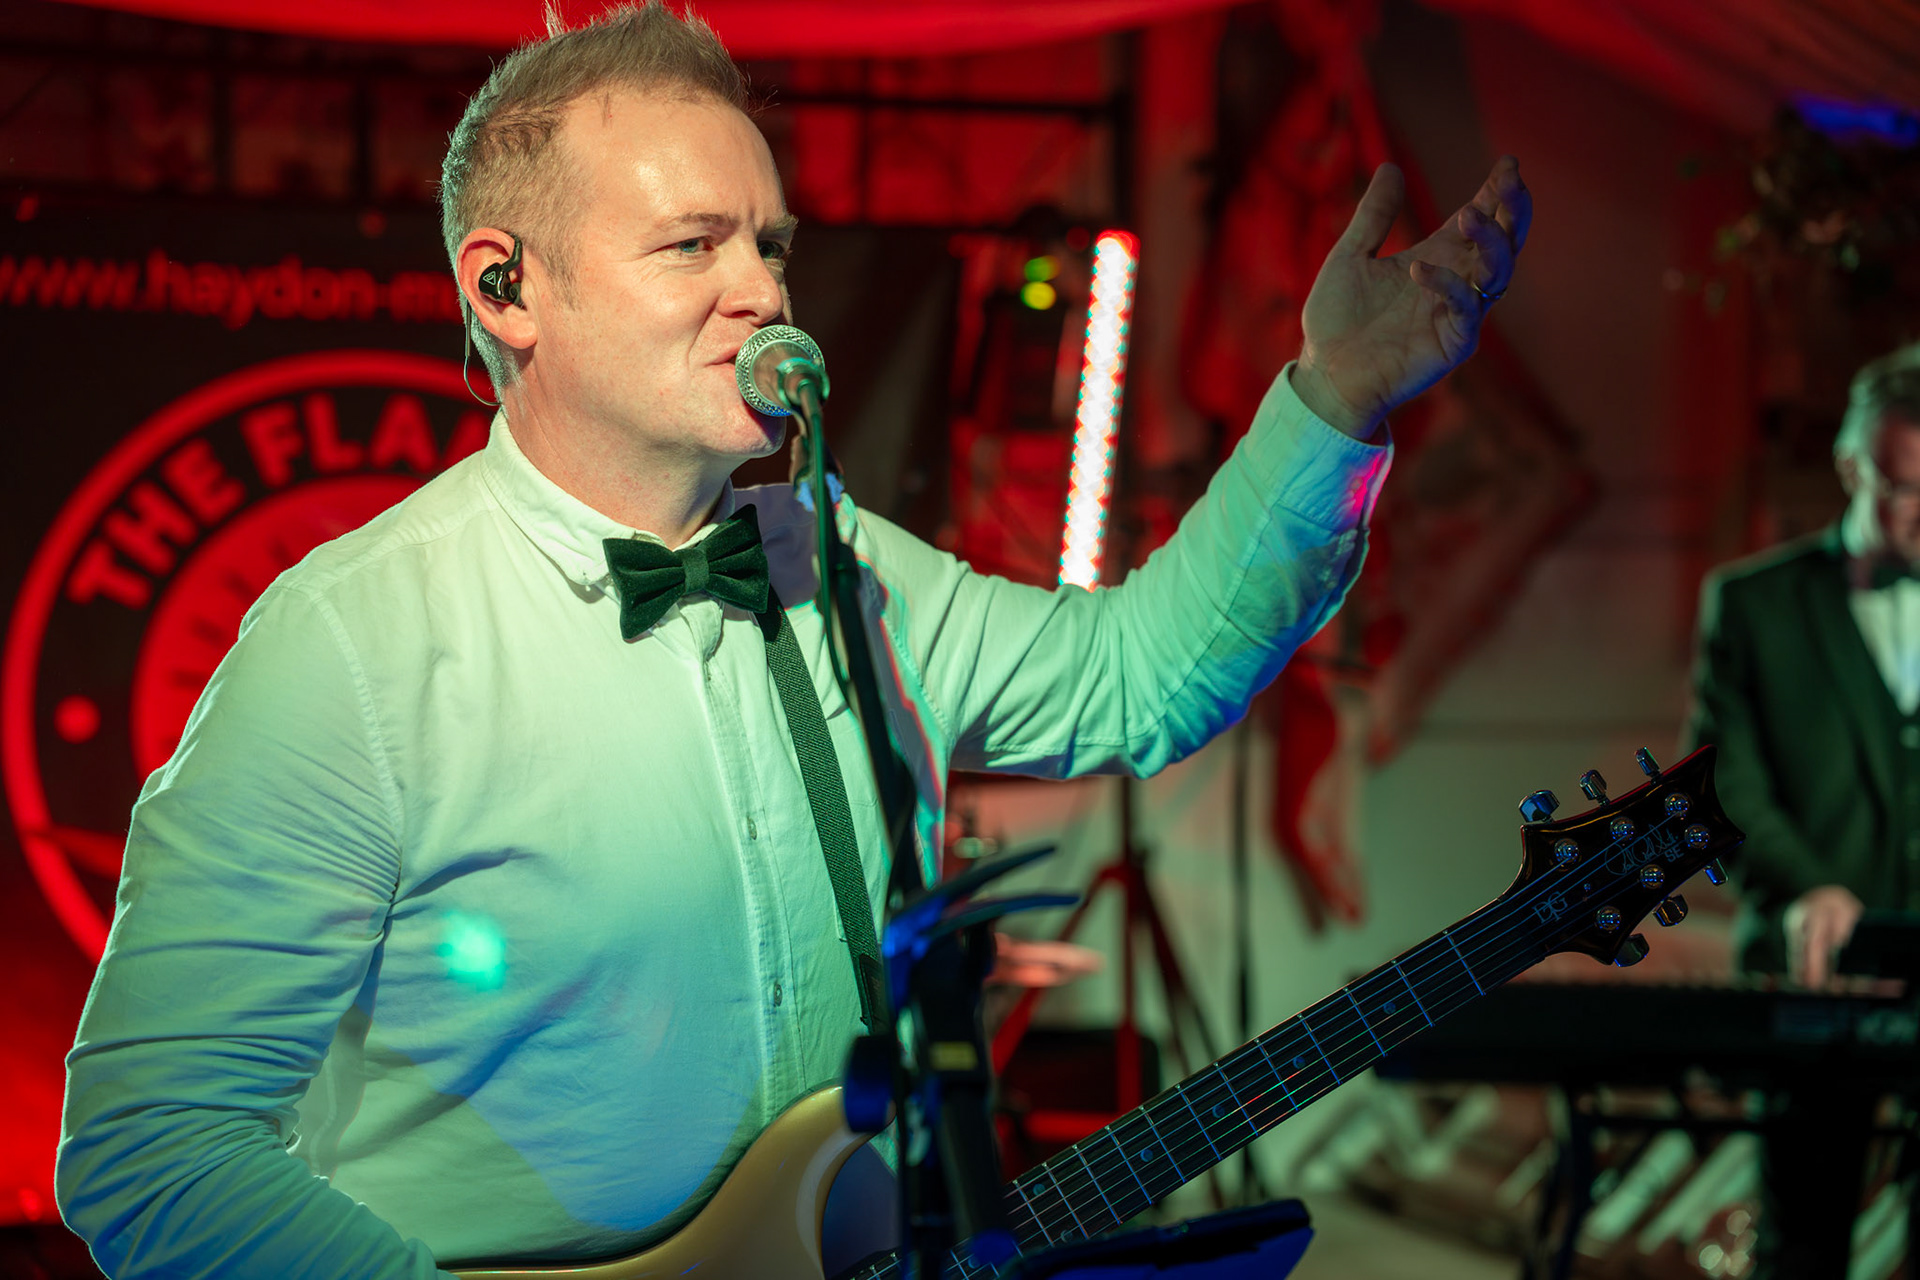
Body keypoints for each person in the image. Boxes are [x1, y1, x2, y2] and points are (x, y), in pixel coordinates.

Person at [54, 5, 1529, 1277]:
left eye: (768, 242)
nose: (761, 288)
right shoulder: (351, 646)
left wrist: (1335, 399)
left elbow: (1143, 677)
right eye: (691, 244)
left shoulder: (844, 569)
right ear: (508, 288)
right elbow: (151, 1145)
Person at [1686, 342, 1920, 1278]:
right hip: (1811, 981)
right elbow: (1725, 788)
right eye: (1907, 488)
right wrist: (1807, 889)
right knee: (1802, 1252)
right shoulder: (1754, 605)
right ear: (1852, 468)